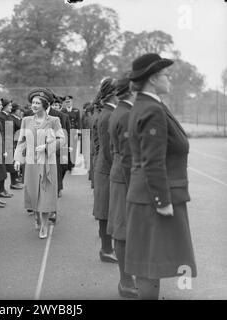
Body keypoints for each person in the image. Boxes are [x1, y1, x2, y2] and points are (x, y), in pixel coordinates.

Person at [125, 53, 197, 299]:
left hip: (146, 195)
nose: (169, 79)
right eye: (166, 75)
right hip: (153, 198)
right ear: (154, 79)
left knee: (148, 263)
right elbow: (152, 161)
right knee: (149, 264)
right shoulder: (152, 109)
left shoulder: (147, 104)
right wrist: (162, 201)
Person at [14, 88, 65, 239]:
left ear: (44, 104)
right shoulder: (26, 120)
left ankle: (44, 225)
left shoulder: (54, 121)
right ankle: (36, 215)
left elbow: (62, 139)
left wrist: (47, 147)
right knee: (33, 192)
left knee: (46, 194)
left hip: (47, 163)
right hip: (30, 163)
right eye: (33, 103)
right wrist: (17, 159)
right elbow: (21, 142)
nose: (34, 105)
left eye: (37, 103)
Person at [106, 74, 137, 298]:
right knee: (123, 230)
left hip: (119, 175)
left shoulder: (120, 110)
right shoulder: (126, 114)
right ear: (132, 90)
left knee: (122, 229)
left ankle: (127, 280)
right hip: (125, 178)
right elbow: (127, 156)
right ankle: (126, 283)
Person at [92, 78, 118, 263]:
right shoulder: (108, 114)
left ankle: (108, 248)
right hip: (107, 169)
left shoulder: (110, 112)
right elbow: (108, 151)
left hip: (106, 167)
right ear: (113, 94)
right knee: (105, 211)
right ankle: (106, 250)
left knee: (107, 210)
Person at [0, 98, 23, 190]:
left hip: (11, 142)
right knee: (6, 167)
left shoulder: (8, 116)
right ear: (4, 106)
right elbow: (2, 132)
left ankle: (14, 182)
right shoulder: (1, 117)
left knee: (13, 164)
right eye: (9, 105)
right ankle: (8, 186)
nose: (11, 107)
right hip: (7, 143)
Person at [61, 95, 81, 169]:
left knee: (73, 148)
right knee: (66, 148)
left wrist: (78, 133)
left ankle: (72, 163)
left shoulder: (76, 111)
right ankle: (67, 164)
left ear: (72, 102)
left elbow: (78, 122)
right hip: (66, 133)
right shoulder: (63, 111)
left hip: (73, 132)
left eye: (69, 101)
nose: (68, 103)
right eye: (66, 102)